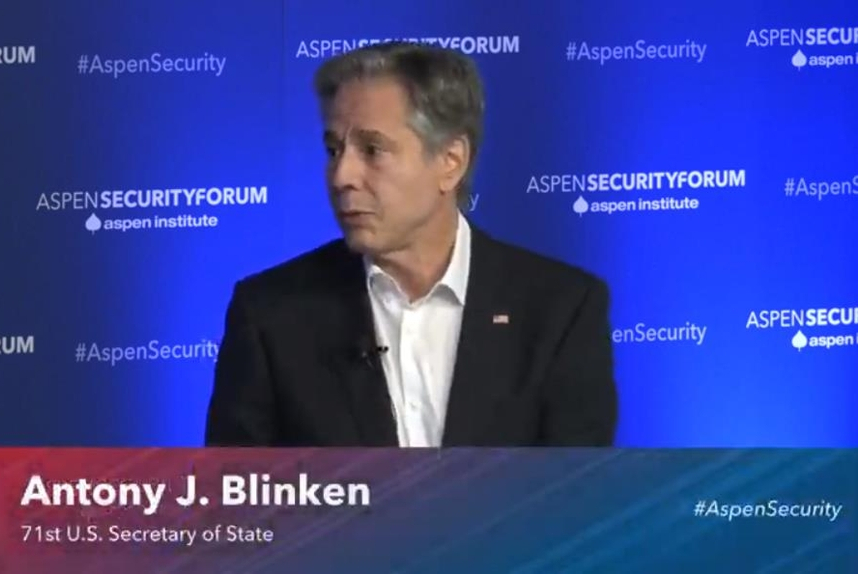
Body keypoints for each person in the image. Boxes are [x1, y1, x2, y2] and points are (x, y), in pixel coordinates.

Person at [205, 41, 617, 447]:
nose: (341, 175)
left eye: (372, 149)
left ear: (450, 161)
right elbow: (240, 497)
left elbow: (578, 501)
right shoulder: (271, 315)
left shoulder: (560, 309)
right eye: (334, 150)